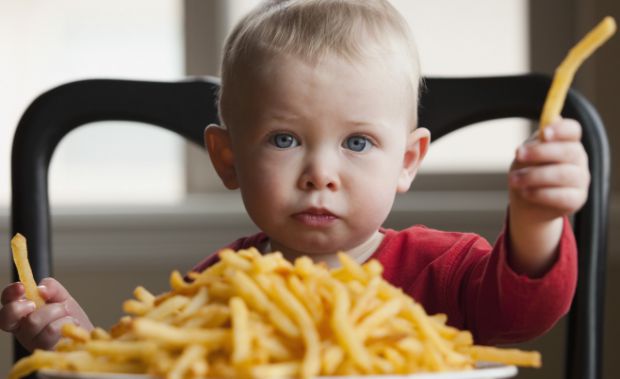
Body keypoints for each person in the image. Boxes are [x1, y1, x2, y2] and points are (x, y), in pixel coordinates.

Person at [1, 0, 589, 352]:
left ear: (407, 160)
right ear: (228, 158)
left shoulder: (444, 272)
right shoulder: (215, 290)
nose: (320, 174)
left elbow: (522, 314)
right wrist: (77, 342)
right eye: (285, 139)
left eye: (358, 142)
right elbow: (144, 363)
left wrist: (537, 220)